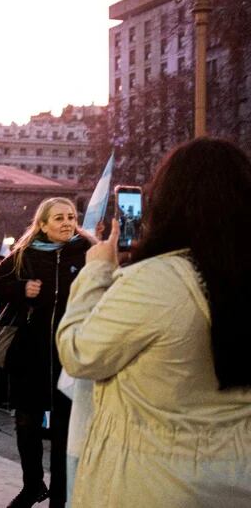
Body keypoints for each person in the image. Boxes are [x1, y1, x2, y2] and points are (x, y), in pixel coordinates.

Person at [57, 138, 251, 506]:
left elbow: (80, 353)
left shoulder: (155, 281)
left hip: (154, 483)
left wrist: (96, 271)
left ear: (167, 202)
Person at [0, 197, 93, 508]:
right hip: (30, 353)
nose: (67, 223)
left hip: (69, 355)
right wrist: (20, 290)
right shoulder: (25, 255)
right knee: (26, 423)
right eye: (58, 218)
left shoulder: (87, 253)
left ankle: (60, 495)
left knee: (63, 430)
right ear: (42, 225)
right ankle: (33, 485)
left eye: (71, 217)